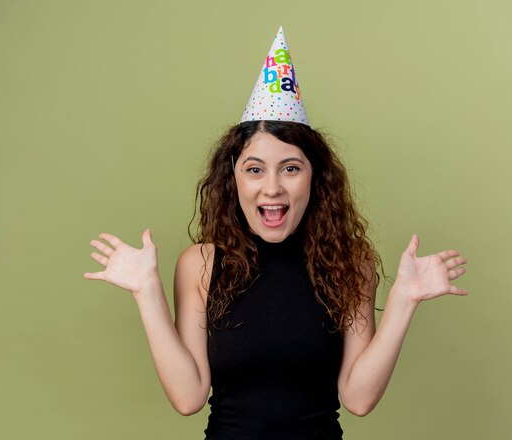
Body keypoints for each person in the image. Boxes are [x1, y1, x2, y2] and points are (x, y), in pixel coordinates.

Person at [83, 28, 468, 440]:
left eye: (290, 167)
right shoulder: (200, 264)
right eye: (254, 169)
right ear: (233, 179)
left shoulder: (351, 263)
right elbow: (188, 397)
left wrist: (403, 301)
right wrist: (147, 292)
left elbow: (358, 399)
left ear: (314, 178)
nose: (272, 187)